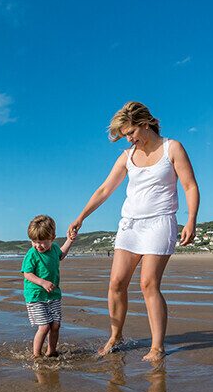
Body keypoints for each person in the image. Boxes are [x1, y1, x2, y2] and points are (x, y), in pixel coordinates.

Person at [68, 101, 201, 362]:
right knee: (116, 283)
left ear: (145, 123)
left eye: (131, 133)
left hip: (160, 222)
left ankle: (157, 347)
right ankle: (115, 337)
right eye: (125, 135)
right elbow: (104, 189)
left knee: (148, 283)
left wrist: (191, 220)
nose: (129, 139)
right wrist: (81, 217)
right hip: (130, 224)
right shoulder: (126, 156)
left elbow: (189, 186)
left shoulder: (171, 148)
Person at [21, 215, 77, 358]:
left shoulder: (54, 249)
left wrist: (70, 240)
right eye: (34, 241)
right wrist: (43, 282)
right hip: (36, 295)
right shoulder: (32, 254)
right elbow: (27, 274)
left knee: (55, 325)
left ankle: (51, 351)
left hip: (53, 294)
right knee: (44, 326)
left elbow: (61, 254)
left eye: (42, 242)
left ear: (52, 238)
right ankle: (36, 355)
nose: (38, 245)